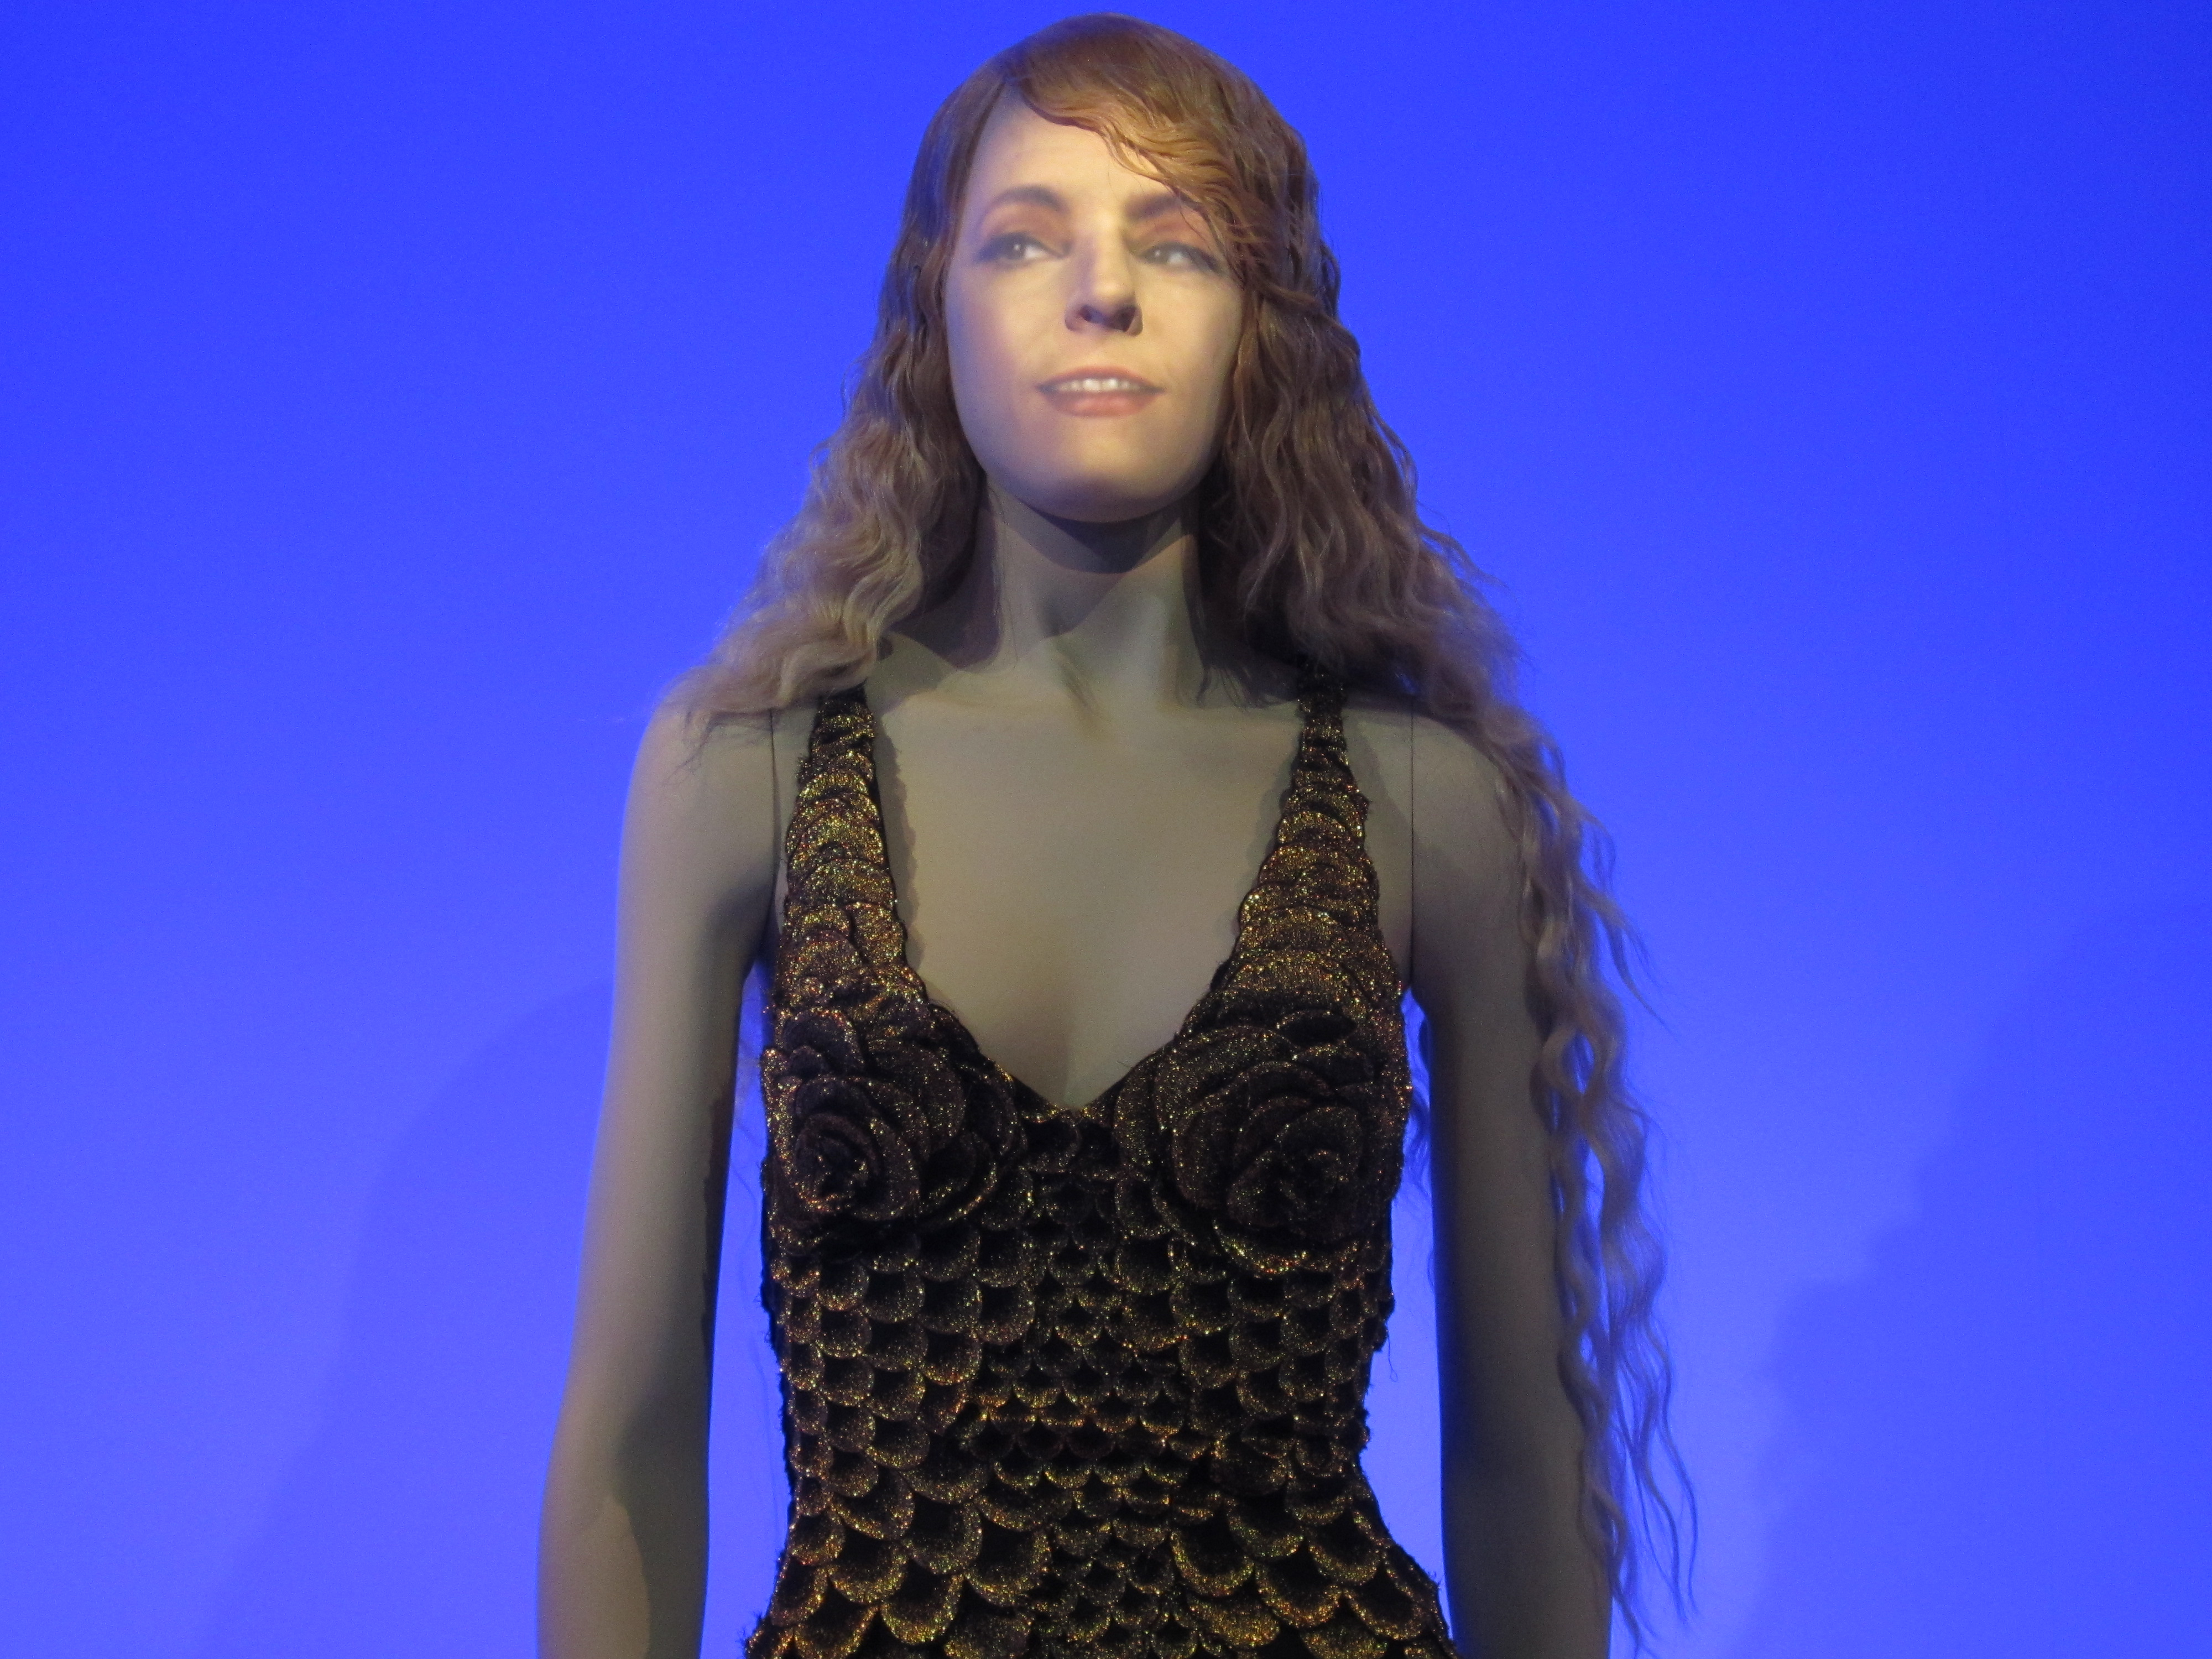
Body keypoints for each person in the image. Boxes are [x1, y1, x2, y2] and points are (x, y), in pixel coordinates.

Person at [539, 16, 1684, 1659]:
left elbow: (1524, 1450)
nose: (1104, 292)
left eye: (1178, 243)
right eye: (1026, 238)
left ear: (1262, 321)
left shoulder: (1422, 802)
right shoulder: (746, 774)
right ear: (933, 304)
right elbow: (629, 1434)